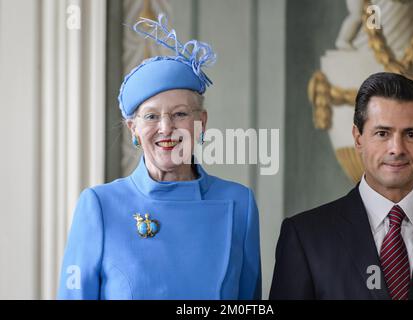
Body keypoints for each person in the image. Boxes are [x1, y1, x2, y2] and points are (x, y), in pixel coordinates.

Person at [58, 15, 261, 300]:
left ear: (201, 122)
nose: (166, 128)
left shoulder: (241, 204)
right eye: (152, 116)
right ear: (134, 129)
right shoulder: (99, 207)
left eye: (180, 114)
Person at [270, 72, 413, 300]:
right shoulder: (305, 237)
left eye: (411, 134)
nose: (397, 148)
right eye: (382, 133)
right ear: (358, 138)